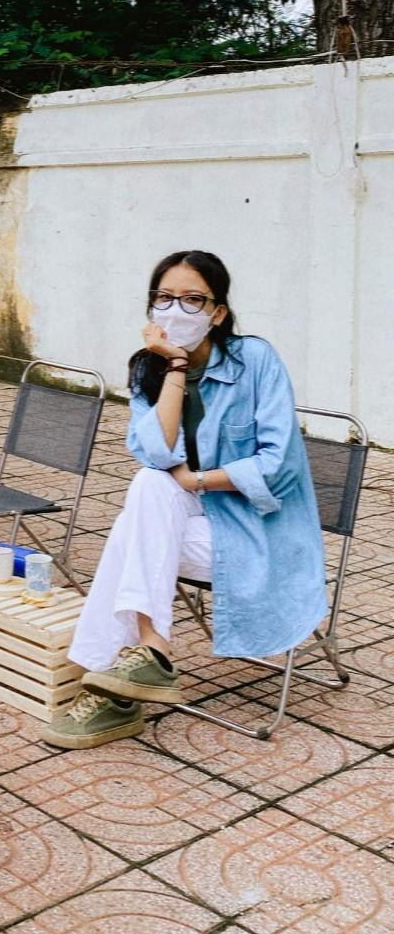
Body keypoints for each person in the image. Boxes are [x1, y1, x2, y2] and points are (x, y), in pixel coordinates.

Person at [42, 249, 326, 750]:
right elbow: (153, 453)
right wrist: (173, 364)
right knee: (148, 487)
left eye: (194, 300)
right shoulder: (147, 371)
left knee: (138, 529)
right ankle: (150, 655)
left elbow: (277, 465)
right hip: (194, 526)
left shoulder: (255, 360)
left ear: (217, 313)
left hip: (260, 534)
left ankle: (114, 686)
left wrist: (196, 480)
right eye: (166, 298)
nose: (178, 310)